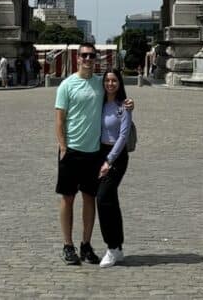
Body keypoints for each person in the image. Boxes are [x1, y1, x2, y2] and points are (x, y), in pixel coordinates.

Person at [54, 41, 134, 266]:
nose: (88, 59)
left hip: (94, 153)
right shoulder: (66, 85)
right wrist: (62, 147)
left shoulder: (101, 83)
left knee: (90, 199)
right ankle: (68, 245)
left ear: (95, 59)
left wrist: (129, 102)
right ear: (77, 58)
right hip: (71, 151)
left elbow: (114, 89)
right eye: (84, 56)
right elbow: (59, 120)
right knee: (67, 199)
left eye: (91, 56)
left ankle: (86, 245)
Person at [96, 68, 131, 267]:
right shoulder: (98, 104)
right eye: (107, 80)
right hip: (98, 153)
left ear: (120, 83)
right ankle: (117, 247)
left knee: (103, 198)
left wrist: (109, 160)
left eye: (114, 80)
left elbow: (123, 136)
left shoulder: (124, 106)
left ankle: (111, 247)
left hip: (116, 157)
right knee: (111, 201)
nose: (110, 84)